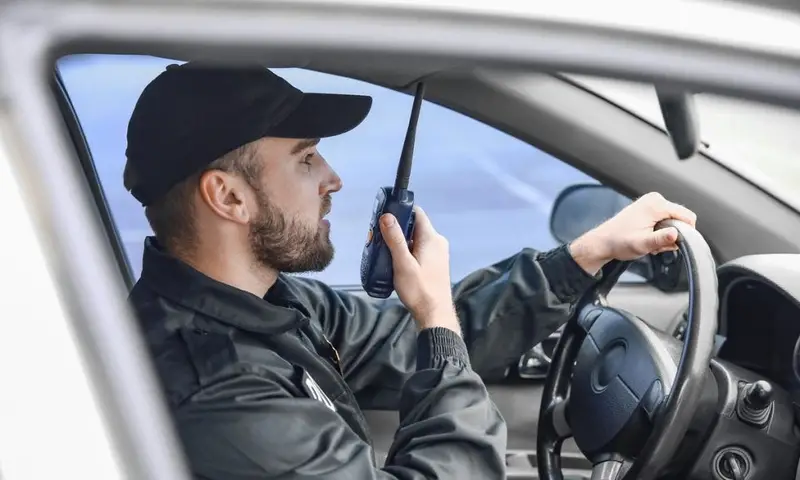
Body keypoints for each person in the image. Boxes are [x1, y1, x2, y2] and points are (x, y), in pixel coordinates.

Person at [123, 62, 697, 479]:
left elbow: (409, 339)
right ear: (228, 197)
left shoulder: (272, 304)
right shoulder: (219, 397)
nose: (333, 178)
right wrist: (435, 316)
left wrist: (588, 254)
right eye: (305, 158)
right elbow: (433, 336)